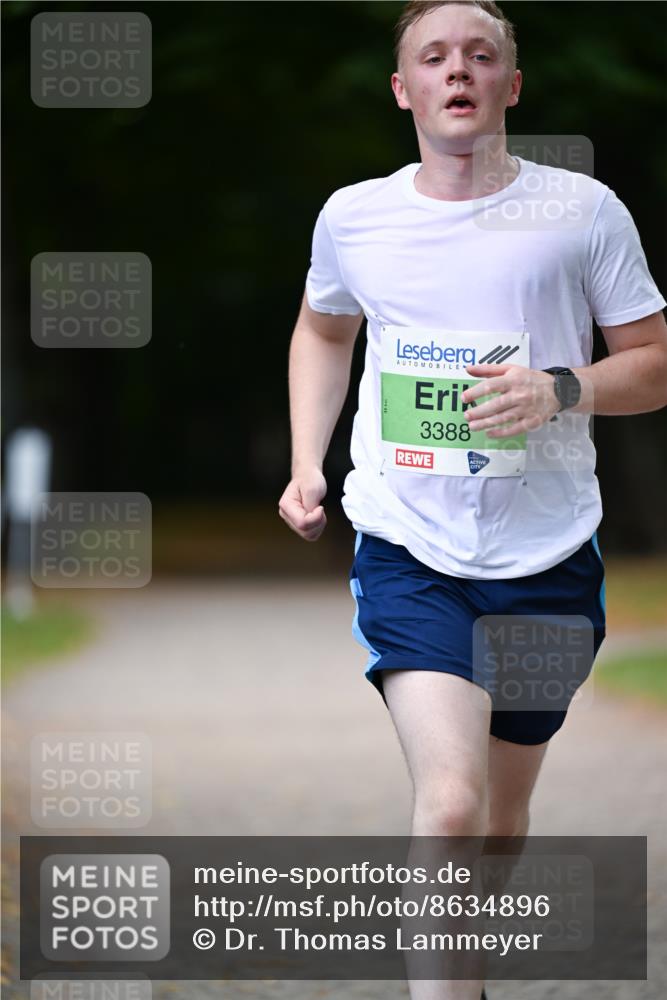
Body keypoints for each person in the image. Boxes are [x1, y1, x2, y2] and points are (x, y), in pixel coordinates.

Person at [278, 2, 667, 997]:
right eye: (434, 57)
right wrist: (307, 461)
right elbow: (323, 331)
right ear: (404, 89)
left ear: (511, 86)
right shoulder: (354, 215)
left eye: (481, 55)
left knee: (495, 820)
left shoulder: (581, 211)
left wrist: (558, 387)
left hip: (547, 557)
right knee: (447, 806)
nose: (459, 70)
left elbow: (654, 365)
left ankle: (467, 968)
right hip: (409, 545)